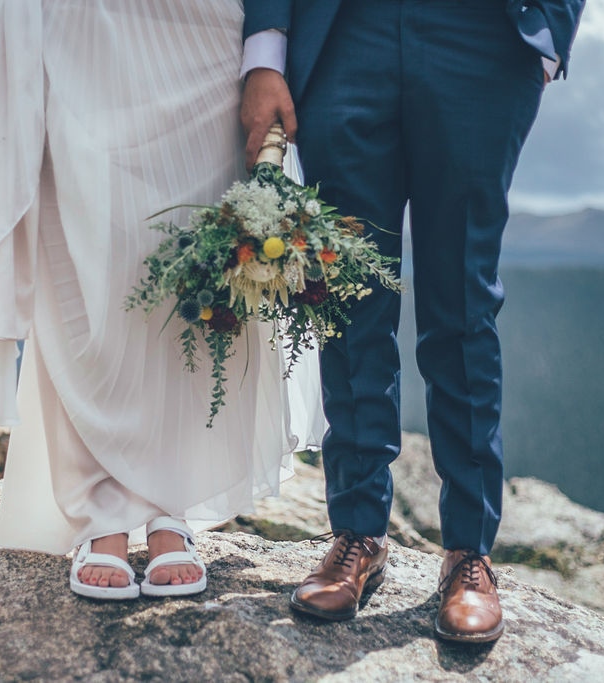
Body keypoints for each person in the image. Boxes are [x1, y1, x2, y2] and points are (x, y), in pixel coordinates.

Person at [0, 0, 322, 601]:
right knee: (84, 243)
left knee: (191, 246)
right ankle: (101, 507)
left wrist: (265, 53)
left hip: (201, 26)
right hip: (81, 17)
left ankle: (167, 503)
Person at [240, 0, 584, 639]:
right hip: (347, 32)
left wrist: (549, 36)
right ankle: (358, 534)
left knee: (463, 300)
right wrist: (264, 50)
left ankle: (468, 554)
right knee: (352, 291)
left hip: (483, 36)